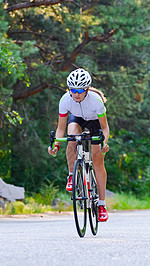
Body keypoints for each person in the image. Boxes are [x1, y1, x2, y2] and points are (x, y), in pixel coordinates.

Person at [48, 68, 110, 222]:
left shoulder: (96, 101)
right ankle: (72, 175)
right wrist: (55, 145)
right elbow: (61, 128)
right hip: (77, 119)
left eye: (80, 90)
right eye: (73, 90)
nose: (76, 94)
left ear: (87, 89)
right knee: (72, 138)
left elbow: (105, 128)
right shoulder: (65, 100)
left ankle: (101, 204)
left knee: (97, 160)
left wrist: (104, 143)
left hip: (95, 122)